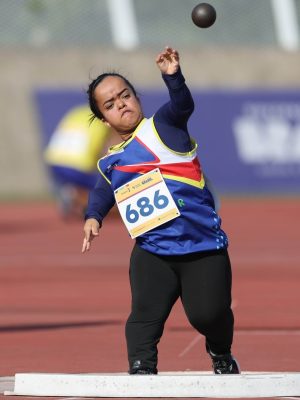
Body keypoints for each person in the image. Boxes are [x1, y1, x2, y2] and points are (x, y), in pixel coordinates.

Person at [82, 47, 240, 375]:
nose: (120, 104)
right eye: (110, 104)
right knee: (143, 316)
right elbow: (103, 189)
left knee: (208, 315)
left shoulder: (164, 127)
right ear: (103, 118)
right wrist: (93, 216)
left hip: (201, 247)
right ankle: (141, 370)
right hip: (152, 251)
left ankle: (220, 350)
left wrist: (173, 77)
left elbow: (183, 105)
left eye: (124, 95)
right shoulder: (111, 159)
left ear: (136, 96)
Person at [44, 105, 111, 218]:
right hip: (78, 166)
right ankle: (77, 198)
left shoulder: (76, 112)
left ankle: (72, 193)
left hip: (54, 162)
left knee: (88, 186)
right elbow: (108, 149)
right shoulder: (105, 119)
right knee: (109, 190)